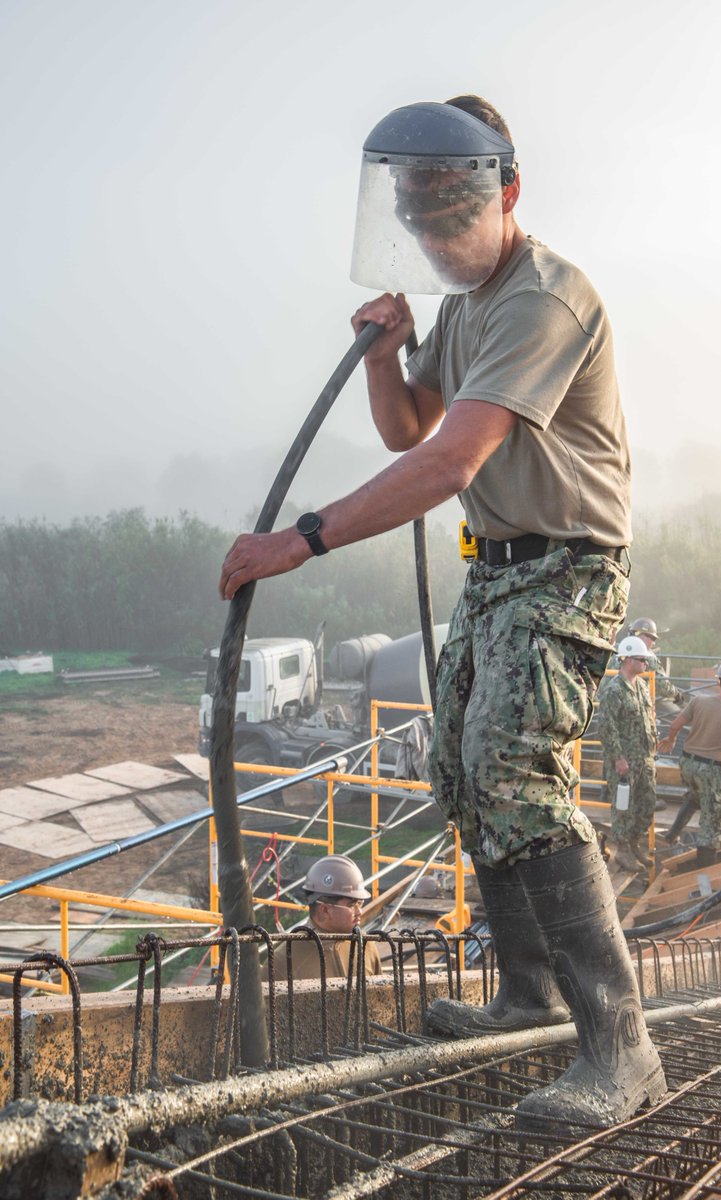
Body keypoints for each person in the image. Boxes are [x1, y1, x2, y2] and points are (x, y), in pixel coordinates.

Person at [221, 95, 665, 1133]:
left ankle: (620, 1049)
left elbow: (447, 458)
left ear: (504, 195)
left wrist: (300, 539)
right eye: (419, 225)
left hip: (567, 568)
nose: (436, 241)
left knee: (516, 769)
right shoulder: (463, 303)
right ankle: (527, 994)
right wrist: (386, 351)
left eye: (451, 221)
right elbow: (405, 424)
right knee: (463, 772)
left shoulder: (542, 299)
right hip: (498, 571)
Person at [657, 660, 721, 865]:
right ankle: (705, 866)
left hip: (687, 763)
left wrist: (671, 739)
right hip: (710, 769)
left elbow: (675, 724)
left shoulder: (698, 701)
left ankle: (671, 834)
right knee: (714, 814)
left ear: (718, 681)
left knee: (695, 795)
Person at [268, 854, 382, 982]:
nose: (359, 911)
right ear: (325, 910)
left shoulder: (365, 946)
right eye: (352, 905)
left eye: (360, 904)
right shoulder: (282, 961)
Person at [597, 635, 658, 873]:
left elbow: (648, 718)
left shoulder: (641, 686)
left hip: (644, 757)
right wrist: (618, 758)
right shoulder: (614, 691)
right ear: (628, 660)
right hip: (625, 761)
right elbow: (607, 727)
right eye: (642, 660)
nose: (646, 664)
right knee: (623, 807)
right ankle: (622, 849)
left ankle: (634, 843)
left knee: (647, 803)